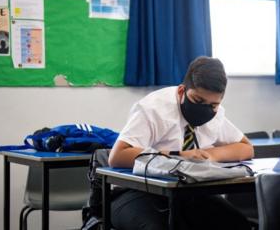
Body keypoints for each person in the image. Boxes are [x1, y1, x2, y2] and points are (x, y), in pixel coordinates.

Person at [108, 56, 254, 230]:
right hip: (137, 192)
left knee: (238, 225)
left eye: (213, 104)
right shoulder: (154, 108)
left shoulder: (216, 113)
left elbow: (246, 148)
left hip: (188, 194)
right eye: (198, 101)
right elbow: (117, 156)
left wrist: (210, 155)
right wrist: (180, 156)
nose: (206, 109)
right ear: (181, 91)